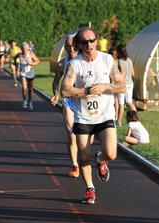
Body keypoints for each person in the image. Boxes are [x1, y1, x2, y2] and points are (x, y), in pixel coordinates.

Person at [61, 27, 126, 205]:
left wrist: (106, 86)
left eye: (91, 41)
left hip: (105, 114)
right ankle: (90, 189)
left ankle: (101, 159)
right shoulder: (75, 64)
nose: (89, 45)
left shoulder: (107, 60)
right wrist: (86, 91)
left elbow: (122, 86)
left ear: (97, 41)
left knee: (111, 154)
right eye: (84, 42)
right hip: (83, 116)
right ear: (79, 45)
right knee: (82, 156)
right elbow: (65, 90)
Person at [51, 34, 81, 177]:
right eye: (68, 46)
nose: (71, 49)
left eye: (73, 45)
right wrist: (56, 94)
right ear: (64, 47)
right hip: (69, 101)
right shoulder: (62, 64)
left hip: (84, 101)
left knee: (89, 137)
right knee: (72, 135)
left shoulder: (85, 60)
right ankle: (75, 165)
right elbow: (56, 81)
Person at [14, 42, 40, 111]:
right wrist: (17, 66)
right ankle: (25, 100)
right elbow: (15, 58)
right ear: (21, 48)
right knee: (24, 86)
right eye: (23, 48)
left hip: (30, 73)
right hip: (23, 73)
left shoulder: (31, 54)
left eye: (26, 48)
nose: (24, 50)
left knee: (31, 89)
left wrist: (31, 63)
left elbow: (38, 61)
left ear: (28, 49)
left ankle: (30, 101)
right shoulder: (19, 55)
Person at [116, 44, 136, 126]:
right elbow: (133, 73)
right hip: (130, 83)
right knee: (129, 102)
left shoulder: (120, 61)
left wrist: (118, 80)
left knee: (121, 103)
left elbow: (122, 72)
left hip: (123, 84)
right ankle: (136, 118)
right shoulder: (129, 60)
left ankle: (118, 121)